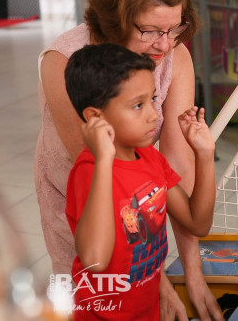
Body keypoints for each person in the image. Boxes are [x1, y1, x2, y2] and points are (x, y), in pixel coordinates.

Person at [34, 0, 225, 320]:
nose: (164, 46)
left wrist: (193, 273)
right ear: (117, 21)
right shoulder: (66, 62)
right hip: (85, 192)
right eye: (150, 31)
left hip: (138, 203)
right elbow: (99, 180)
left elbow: (179, 164)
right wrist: (155, 280)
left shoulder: (172, 55)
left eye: (174, 28)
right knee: (94, 294)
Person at [64, 43, 216, 320]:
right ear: (96, 117)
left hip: (148, 309)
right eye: (137, 105)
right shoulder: (90, 171)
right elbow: (95, 260)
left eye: (153, 99)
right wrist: (104, 160)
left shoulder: (149, 157)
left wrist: (204, 155)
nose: (154, 115)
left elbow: (198, 223)